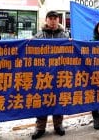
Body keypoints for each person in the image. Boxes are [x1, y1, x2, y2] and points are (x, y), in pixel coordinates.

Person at [31, 11, 69, 139]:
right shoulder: (39, 35)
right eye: (50, 18)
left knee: (58, 99)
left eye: (55, 19)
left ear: (58, 20)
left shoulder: (64, 35)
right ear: (46, 20)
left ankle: (58, 125)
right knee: (42, 100)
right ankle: (40, 127)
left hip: (59, 74)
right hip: (42, 74)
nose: (53, 21)